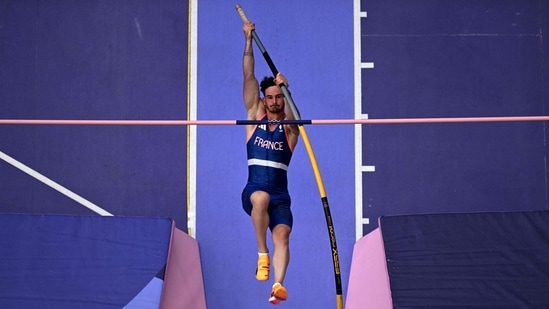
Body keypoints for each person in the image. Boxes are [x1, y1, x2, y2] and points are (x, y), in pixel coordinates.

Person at [240, 20, 300, 305]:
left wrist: (288, 90)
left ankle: (277, 285)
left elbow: (294, 118)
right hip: (255, 191)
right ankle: (262, 255)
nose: (274, 101)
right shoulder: (254, 118)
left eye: (279, 97)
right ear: (263, 101)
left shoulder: (290, 130)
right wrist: (249, 41)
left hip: (281, 197)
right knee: (261, 198)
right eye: (271, 97)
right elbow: (249, 76)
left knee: (283, 235)